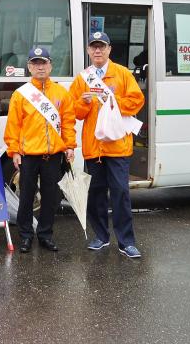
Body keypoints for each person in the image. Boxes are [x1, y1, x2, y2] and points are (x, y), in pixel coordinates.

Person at [69, 31, 145, 258]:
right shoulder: (83, 78)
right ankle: (101, 236)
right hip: (94, 148)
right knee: (96, 194)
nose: (98, 51)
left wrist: (110, 100)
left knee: (121, 193)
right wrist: (84, 103)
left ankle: (126, 241)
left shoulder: (122, 74)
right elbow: (75, 112)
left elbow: (136, 101)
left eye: (102, 46)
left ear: (109, 49)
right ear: (89, 51)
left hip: (118, 146)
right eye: (94, 47)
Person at [4, 46, 76, 253]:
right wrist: (14, 151)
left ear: (50, 65)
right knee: (26, 197)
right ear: (29, 67)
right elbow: (13, 126)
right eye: (35, 63)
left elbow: (68, 122)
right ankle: (26, 236)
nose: (40, 67)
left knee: (51, 197)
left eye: (43, 62)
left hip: (53, 156)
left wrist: (69, 145)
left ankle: (45, 234)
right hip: (29, 156)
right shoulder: (21, 95)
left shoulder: (61, 93)